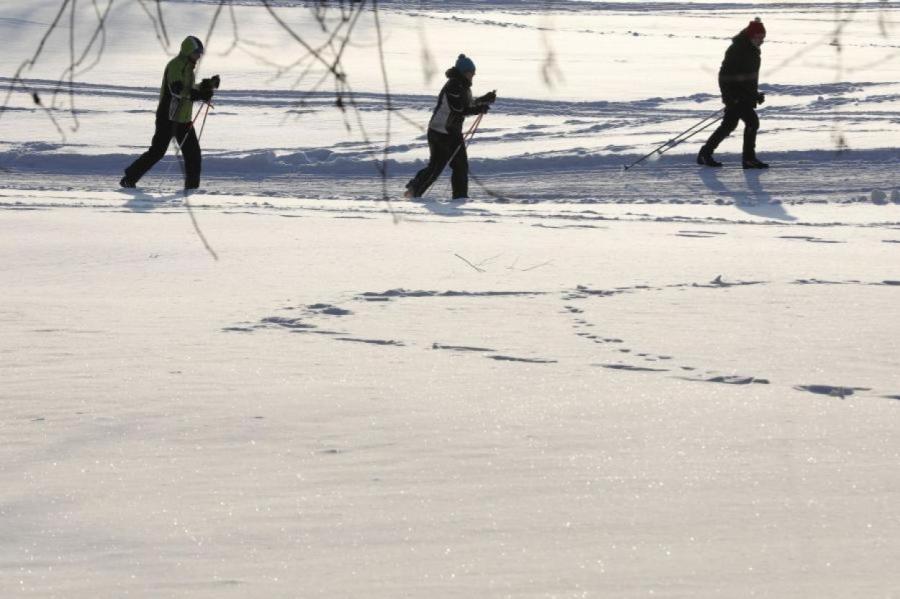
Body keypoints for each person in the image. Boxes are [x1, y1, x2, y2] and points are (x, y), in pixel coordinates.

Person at [120, 36, 220, 190]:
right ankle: (129, 179)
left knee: (193, 154)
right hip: (168, 118)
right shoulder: (175, 66)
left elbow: (190, 88)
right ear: (188, 51)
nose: (199, 56)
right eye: (197, 52)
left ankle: (192, 190)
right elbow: (177, 90)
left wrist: (206, 86)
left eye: (200, 53)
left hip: (184, 120)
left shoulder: (188, 68)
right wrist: (199, 95)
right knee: (157, 152)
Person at [405, 54, 496, 200]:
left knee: (461, 167)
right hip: (440, 132)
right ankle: (414, 190)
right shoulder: (453, 86)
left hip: (452, 132)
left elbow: (467, 104)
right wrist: (479, 109)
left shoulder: (463, 86)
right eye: (471, 72)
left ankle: (460, 198)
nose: (473, 75)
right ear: (464, 72)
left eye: (473, 73)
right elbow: (459, 109)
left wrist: (483, 100)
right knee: (436, 168)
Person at [697, 18, 769, 169]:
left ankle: (705, 153)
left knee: (728, 125)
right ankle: (748, 159)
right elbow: (724, 76)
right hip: (736, 98)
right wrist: (730, 97)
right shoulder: (737, 49)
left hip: (743, 96)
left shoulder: (752, 50)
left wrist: (754, 94)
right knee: (752, 123)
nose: (761, 41)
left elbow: (748, 77)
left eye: (763, 38)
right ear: (751, 36)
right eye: (759, 37)